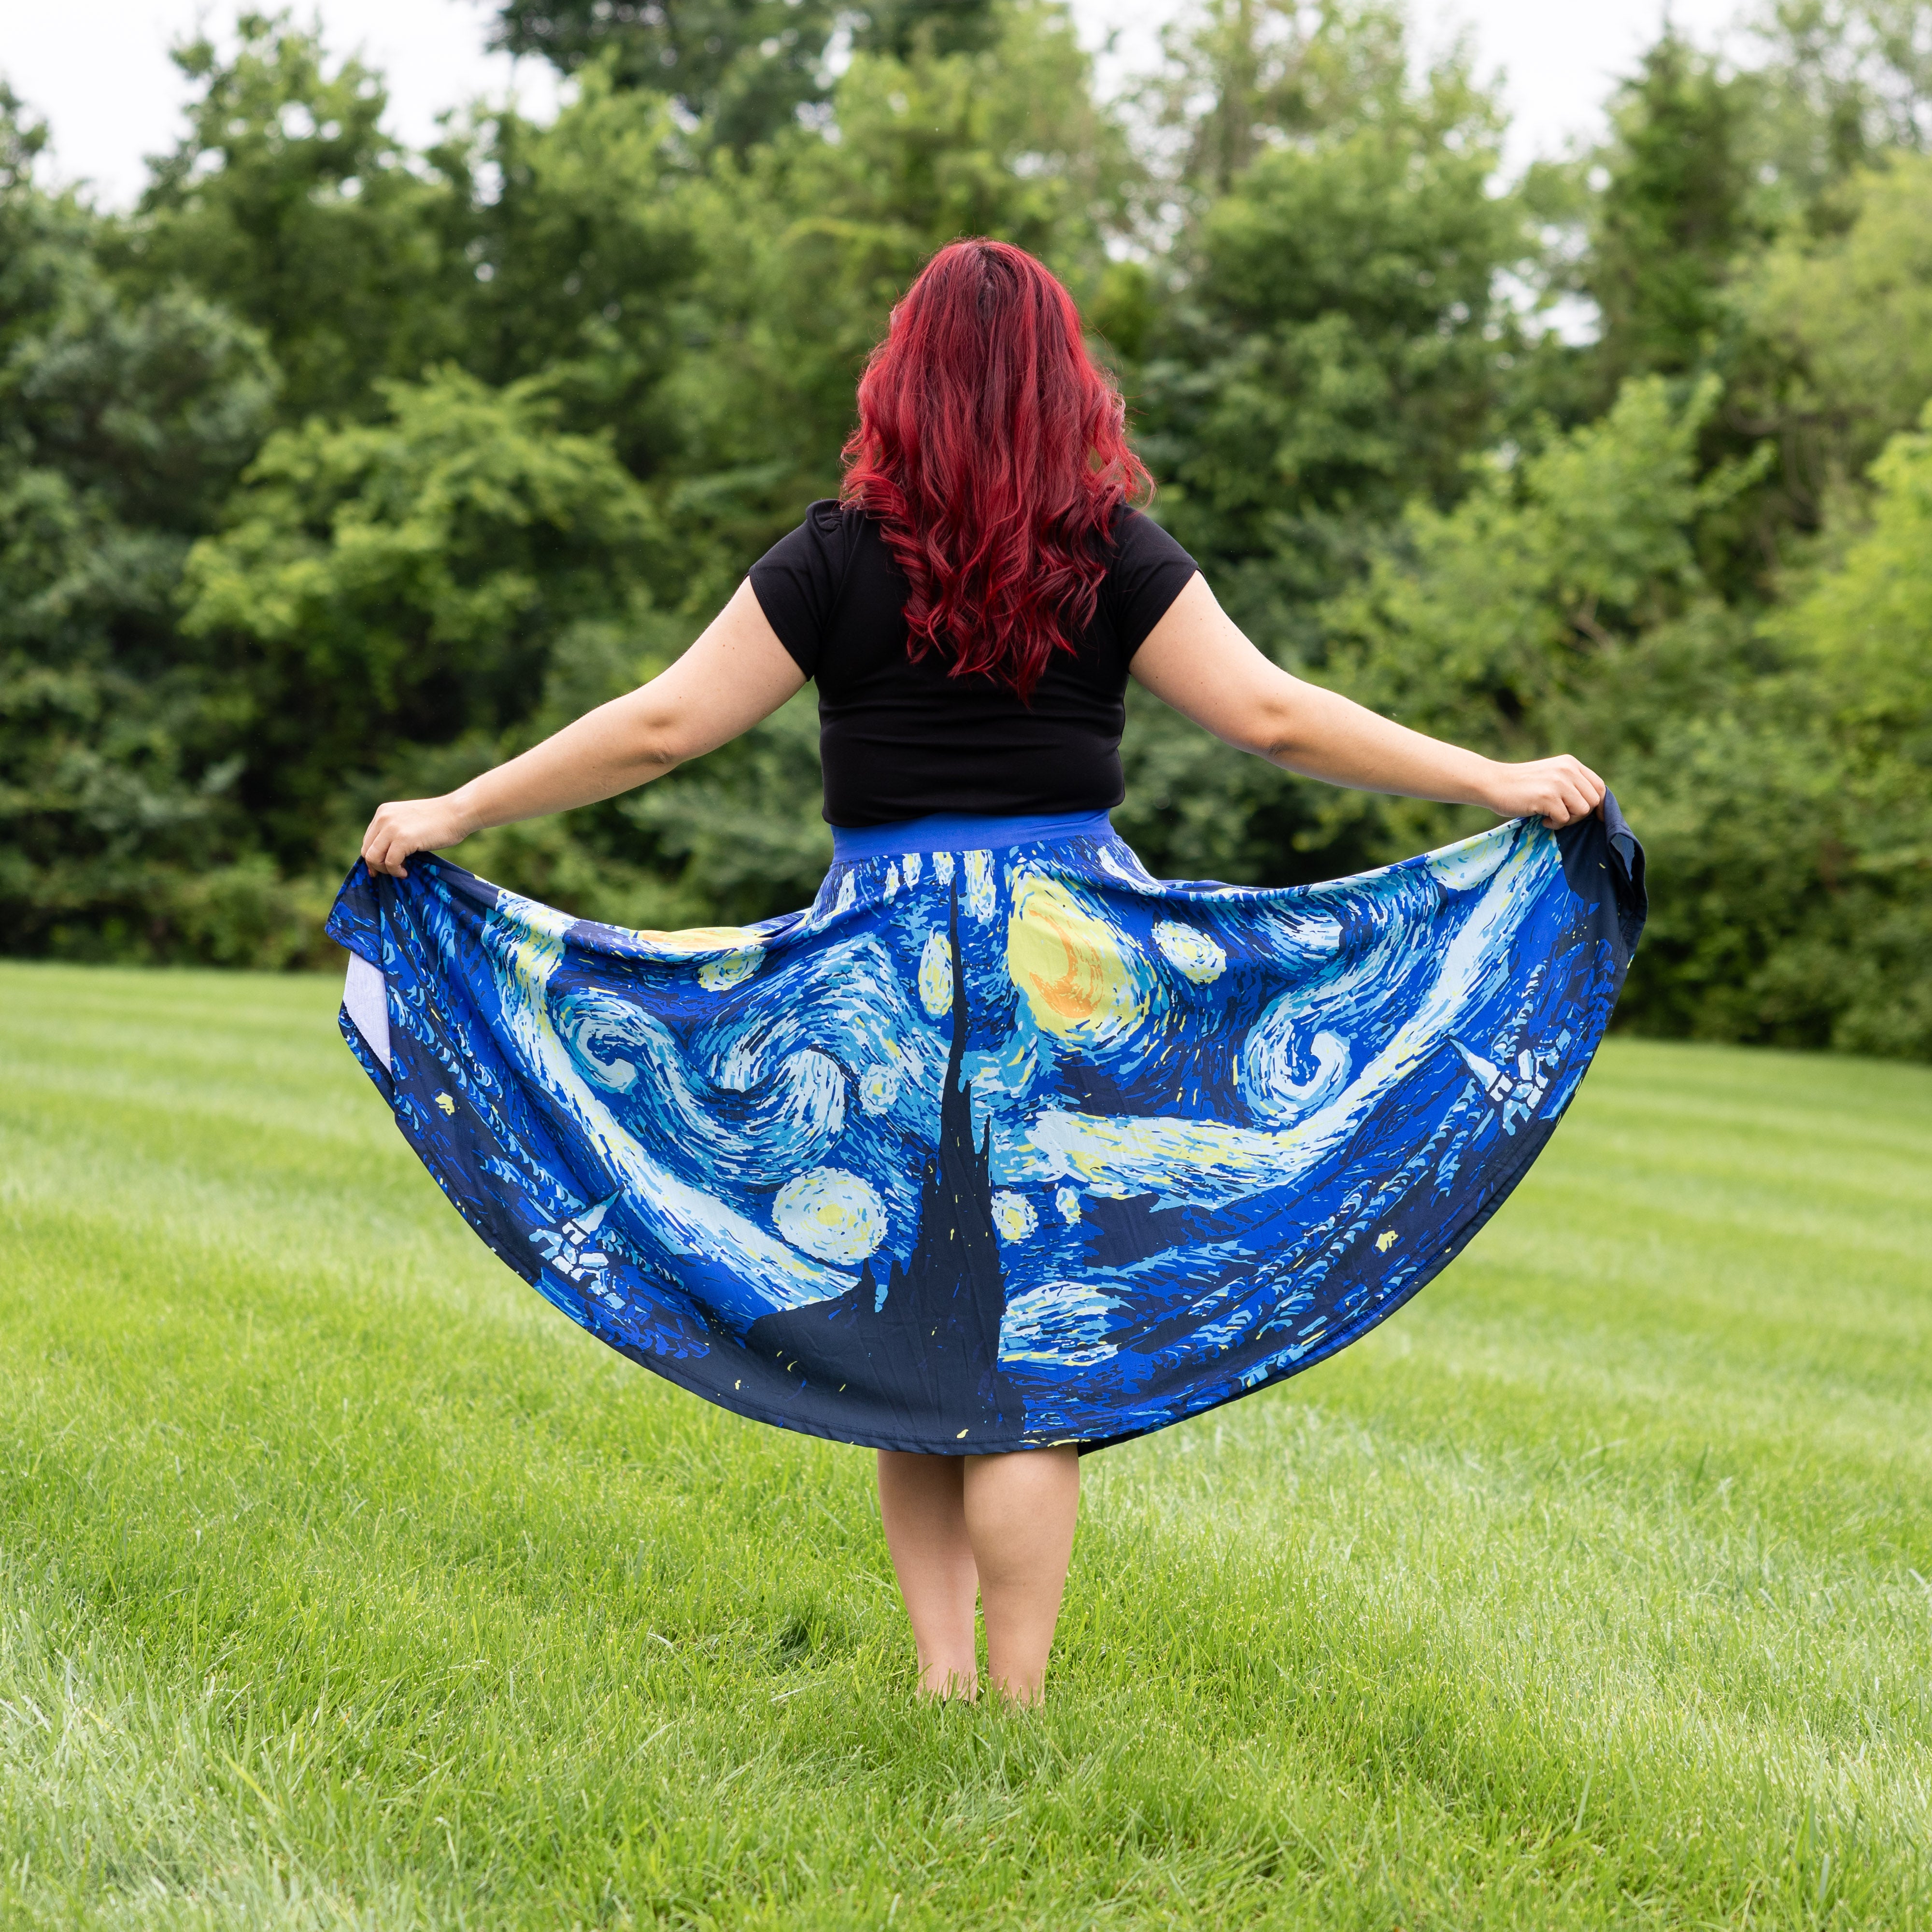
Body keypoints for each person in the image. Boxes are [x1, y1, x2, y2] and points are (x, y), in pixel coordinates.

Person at [341, 239, 1641, 1708]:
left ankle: (946, 1683)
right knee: (1032, 1354)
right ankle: (1014, 1701)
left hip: (879, 971)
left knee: (910, 1323)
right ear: (1064, 387)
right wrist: (1493, 778)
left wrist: (461, 808)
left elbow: (662, 729)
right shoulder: (1111, 552)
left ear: (898, 385)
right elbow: (1272, 718)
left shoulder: (833, 557)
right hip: (1066, 966)